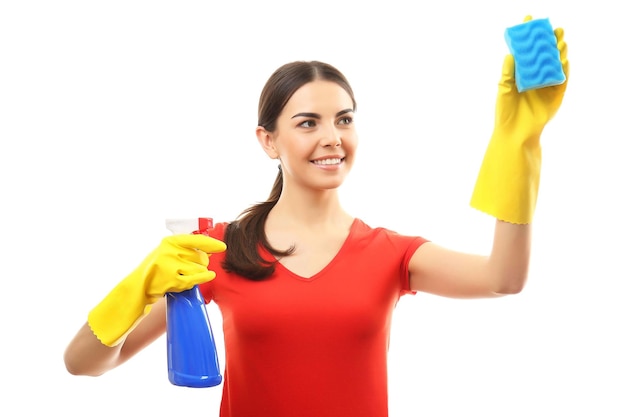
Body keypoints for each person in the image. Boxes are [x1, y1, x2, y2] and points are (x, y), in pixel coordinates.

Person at [64, 17, 569, 417]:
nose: (333, 137)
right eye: (308, 123)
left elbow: (503, 278)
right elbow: (84, 364)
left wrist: (517, 146)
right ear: (268, 140)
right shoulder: (216, 251)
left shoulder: (391, 253)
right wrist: (136, 288)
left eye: (344, 119)